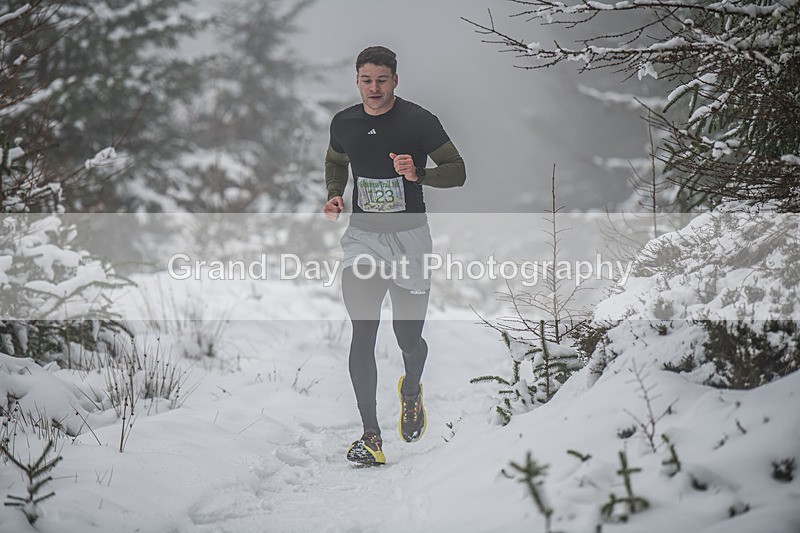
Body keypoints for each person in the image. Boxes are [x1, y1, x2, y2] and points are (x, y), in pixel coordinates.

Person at [323, 46, 466, 465]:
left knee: (407, 338)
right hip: (363, 239)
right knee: (363, 331)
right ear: (357, 80)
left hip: (409, 240)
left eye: (381, 80)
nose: (374, 88)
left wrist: (418, 173)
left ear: (395, 81)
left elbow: (458, 171)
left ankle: (411, 389)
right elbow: (335, 160)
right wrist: (334, 195)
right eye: (366, 80)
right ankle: (370, 436)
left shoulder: (419, 120)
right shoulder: (344, 122)